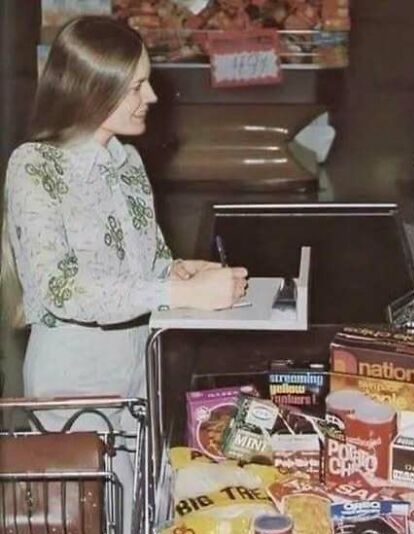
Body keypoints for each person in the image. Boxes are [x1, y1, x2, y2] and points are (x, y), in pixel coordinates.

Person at [2, 15, 247, 408]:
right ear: (95, 89)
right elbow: (61, 288)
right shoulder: (34, 165)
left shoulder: (127, 161)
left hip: (139, 367)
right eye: (137, 87)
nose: (150, 97)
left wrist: (177, 269)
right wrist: (178, 292)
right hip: (72, 378)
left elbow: (145, 264)